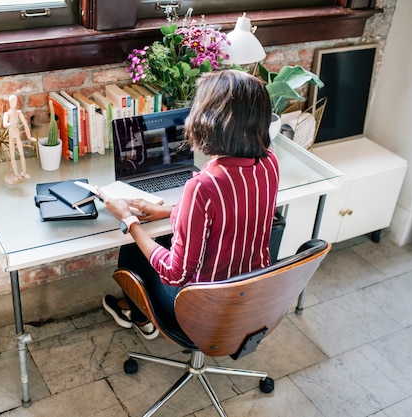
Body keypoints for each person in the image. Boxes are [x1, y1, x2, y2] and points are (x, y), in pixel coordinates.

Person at [99, 70, 280, 340]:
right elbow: (229, 211)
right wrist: (170, 211)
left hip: (202, 308)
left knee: (133, 252)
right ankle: (133, 309)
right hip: (249, 296)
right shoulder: (268, 162)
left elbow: (175, 274)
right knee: (161, 236)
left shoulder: (204, 185)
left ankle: (140, 315)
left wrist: (129, 221)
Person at [3, 94, 32, 184]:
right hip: (11, 135)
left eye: (15, 101)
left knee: (22, 154)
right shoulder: (7, 113)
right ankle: (16, 174)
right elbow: (5, 124)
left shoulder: (18, 112)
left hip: (17, 134)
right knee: (12, 156)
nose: (13, 103)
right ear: (9, 102)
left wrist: (29, 137)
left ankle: (24, 172)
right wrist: (10, 124)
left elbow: (25, 124)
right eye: (12, 102)